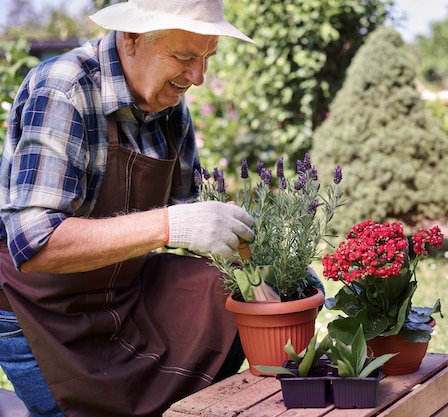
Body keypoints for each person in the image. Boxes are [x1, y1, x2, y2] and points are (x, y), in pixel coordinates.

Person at [0, 1, 256, 416]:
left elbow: (187, 212)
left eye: (207, 57)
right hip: (41, 312)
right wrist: (172, 224)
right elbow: (36, 244)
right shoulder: (63, 89)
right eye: (186, 56)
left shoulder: (169, 106)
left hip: (121, 295)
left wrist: (266, 259)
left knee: (230, 292)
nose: (199, 78)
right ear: (132, 38)